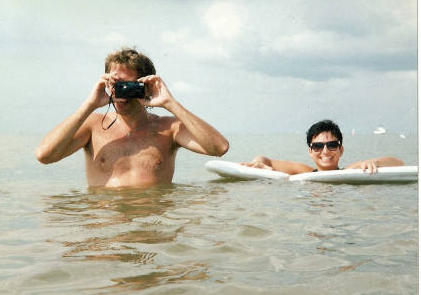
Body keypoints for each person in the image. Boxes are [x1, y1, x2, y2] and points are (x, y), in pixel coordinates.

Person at [36, 47, 229, 188]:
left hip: (149, 229)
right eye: (115, 84)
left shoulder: (168, 129)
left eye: (128, 86)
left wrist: (170, 103)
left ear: (145, 86)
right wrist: (89, 104)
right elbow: (44, 156)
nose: (120, 93)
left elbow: (219, 148)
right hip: (105, 226)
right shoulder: (92, 125)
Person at [241, 120, 403, 174]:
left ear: (341, 150)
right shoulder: (304, 171)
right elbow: (265, 160)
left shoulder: (350, 171)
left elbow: (398, 162)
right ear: (310, 151)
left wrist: (373, 162)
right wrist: (257, 162)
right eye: (318, 146)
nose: (325, 152)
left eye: (332, 145)